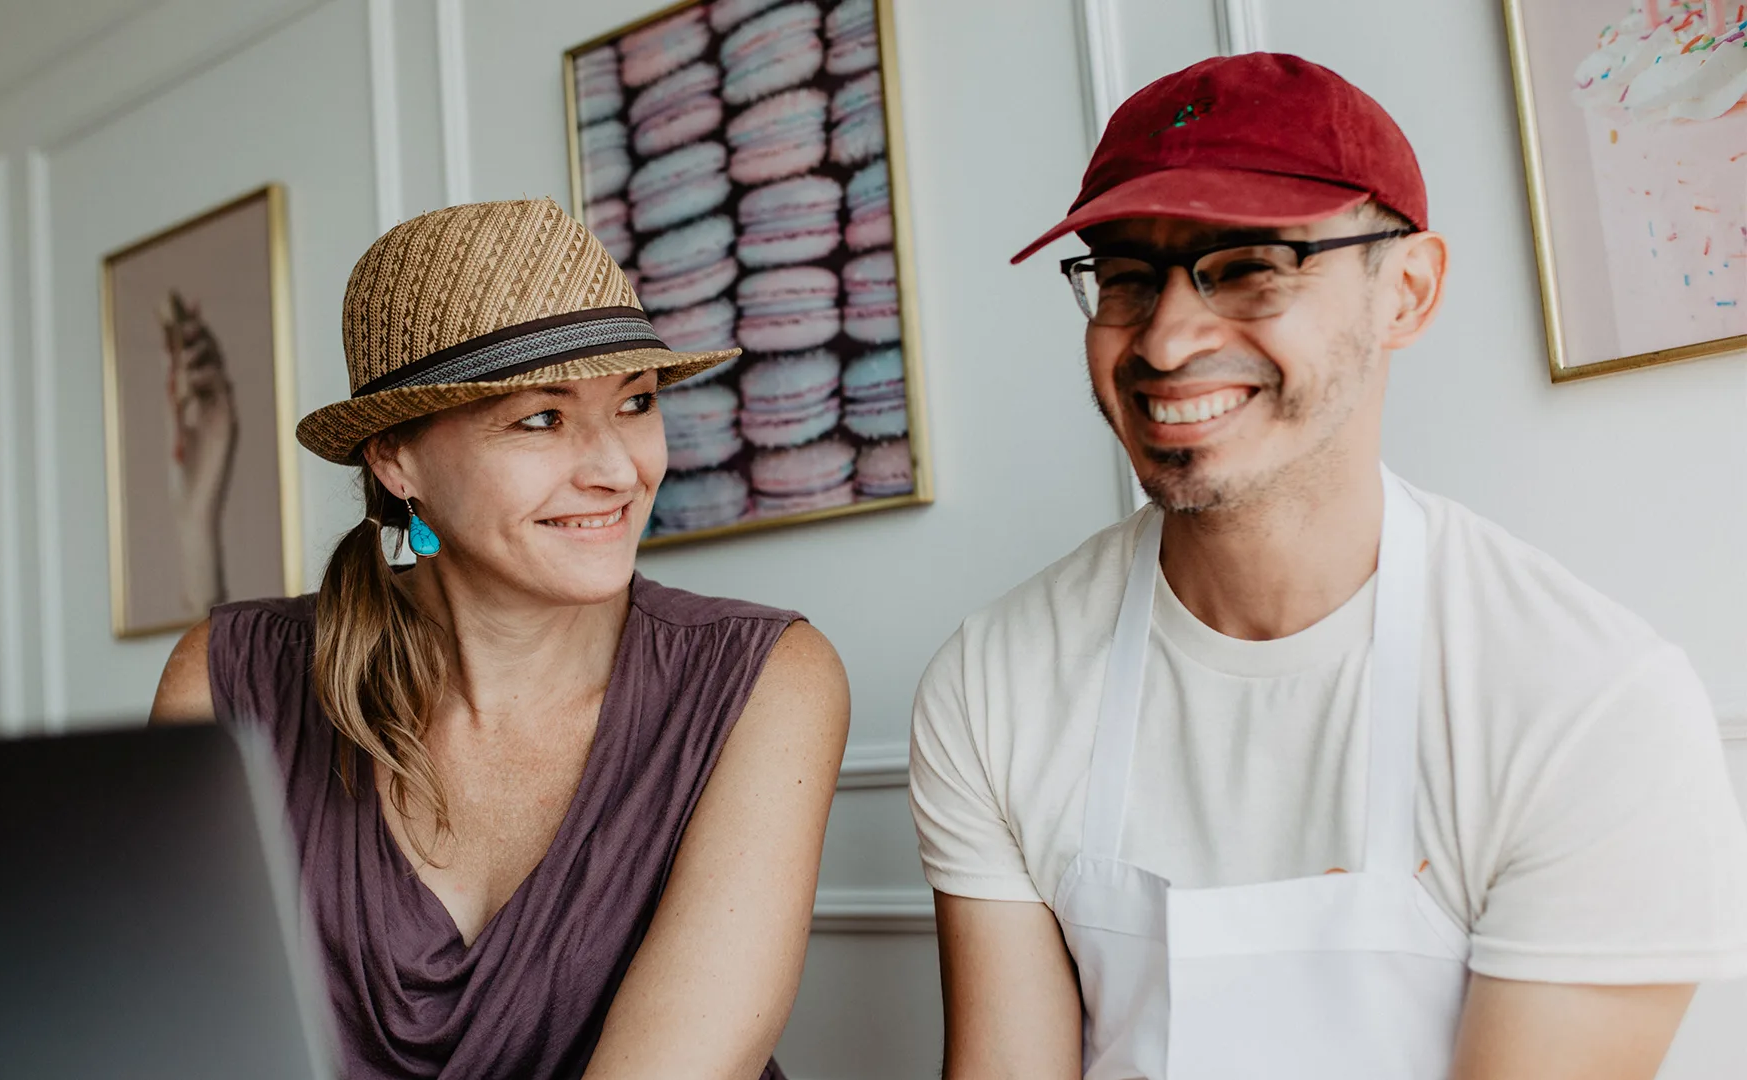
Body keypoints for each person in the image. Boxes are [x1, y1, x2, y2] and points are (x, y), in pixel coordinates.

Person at [909, 52, 1747, 1080]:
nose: (1167, 339)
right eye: (1127, 277)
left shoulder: (1586, 705)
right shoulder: (993, 682)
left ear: (1406, 289)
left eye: (1251, 265)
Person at [150, 198, 850, 1080]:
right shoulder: (226, 682)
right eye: (541, 418)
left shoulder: (763, 679)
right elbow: (182, 1041)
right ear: (397, 460)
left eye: (635, 404)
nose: (617, 469)